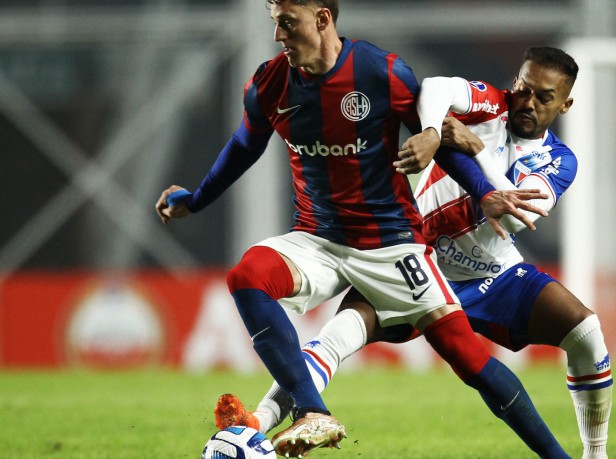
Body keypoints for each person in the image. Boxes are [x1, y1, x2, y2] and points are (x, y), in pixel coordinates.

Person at [155, 1, 568, 457]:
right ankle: (313, 412)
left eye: (287, 23)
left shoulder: (380, 72)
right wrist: (195, 200)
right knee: (247, 276)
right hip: (317, 237)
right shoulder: (269, 83)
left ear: (322, 19)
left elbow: (439, 140)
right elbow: (243, 146)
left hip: (391, 243)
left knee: (468, 359)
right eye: (276, 24)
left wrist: (483, 191)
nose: (278, 36)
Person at [243, 46, 614, 459]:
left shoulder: (559, 160)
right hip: (415, 261)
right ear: (515, 82)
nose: (527, 102)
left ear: (565, 104)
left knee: (585, 331)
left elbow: (514, 217)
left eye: (543, 97)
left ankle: (595, 455)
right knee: (337, 336)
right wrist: (435, 131)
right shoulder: (490, 104)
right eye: (523, 89)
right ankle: (255, 424)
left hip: (494, 275)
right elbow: (435, 88)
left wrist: (476, 151)